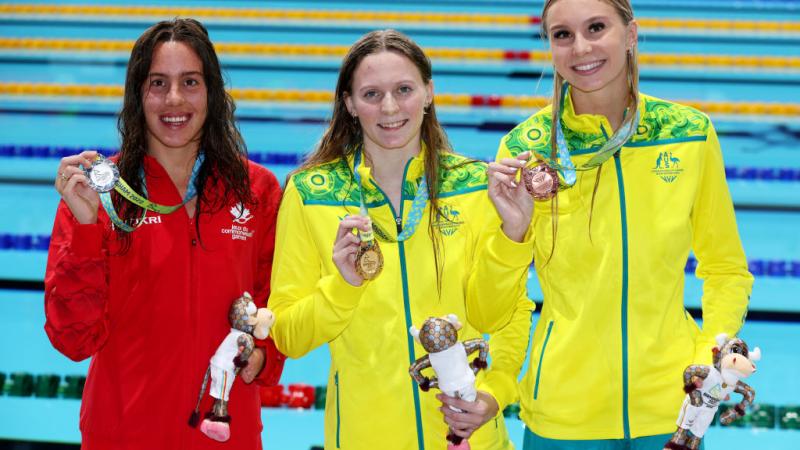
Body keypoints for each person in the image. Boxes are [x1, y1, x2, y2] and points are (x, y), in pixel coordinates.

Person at [485, 0, 754, 449]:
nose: (581, 47)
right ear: (549, 46)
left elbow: (725, 268)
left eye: (596, 27)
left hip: (671, 408)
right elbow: (492, 309)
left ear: (630, 34)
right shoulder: (524, 150)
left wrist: (711, 350)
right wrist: (511, 237)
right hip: (564, 415)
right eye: (562, 35)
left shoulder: (688, 134)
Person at [267, 29, 534, 450]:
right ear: (350, 104)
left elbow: (508, 313)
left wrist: (495, 392)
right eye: (371, 94)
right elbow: (288, 336)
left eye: (404, 89)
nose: (389, 108)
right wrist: (343, 285)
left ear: (429, 93)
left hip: (471, 438)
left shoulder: (473, 186)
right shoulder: (311, 193)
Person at [44, 18, 284, 449]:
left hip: (226, 433)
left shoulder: (257, 190)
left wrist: (266, 357)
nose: (174, 99)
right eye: (158, 83)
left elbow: (280, 306)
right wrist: (83, 230)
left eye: (190, 81)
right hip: (122, 432)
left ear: (212, 91)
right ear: (138, 95)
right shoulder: (102, 194)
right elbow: (73, 339)